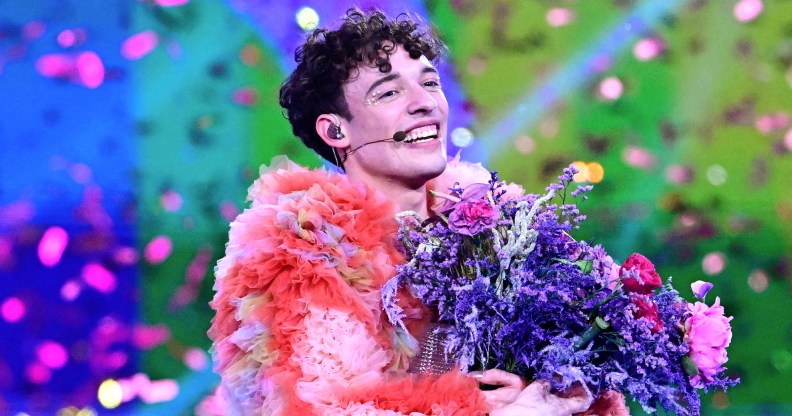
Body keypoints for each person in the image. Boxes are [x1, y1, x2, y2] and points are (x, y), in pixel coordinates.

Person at [209, 8, 625, 416]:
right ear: (336, 130)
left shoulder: (498, 226)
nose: (424, 103)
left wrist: (544, 392)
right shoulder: (302, 250)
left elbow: (579, 370)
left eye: (430, 83)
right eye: (389, 92)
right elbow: (322, 406)